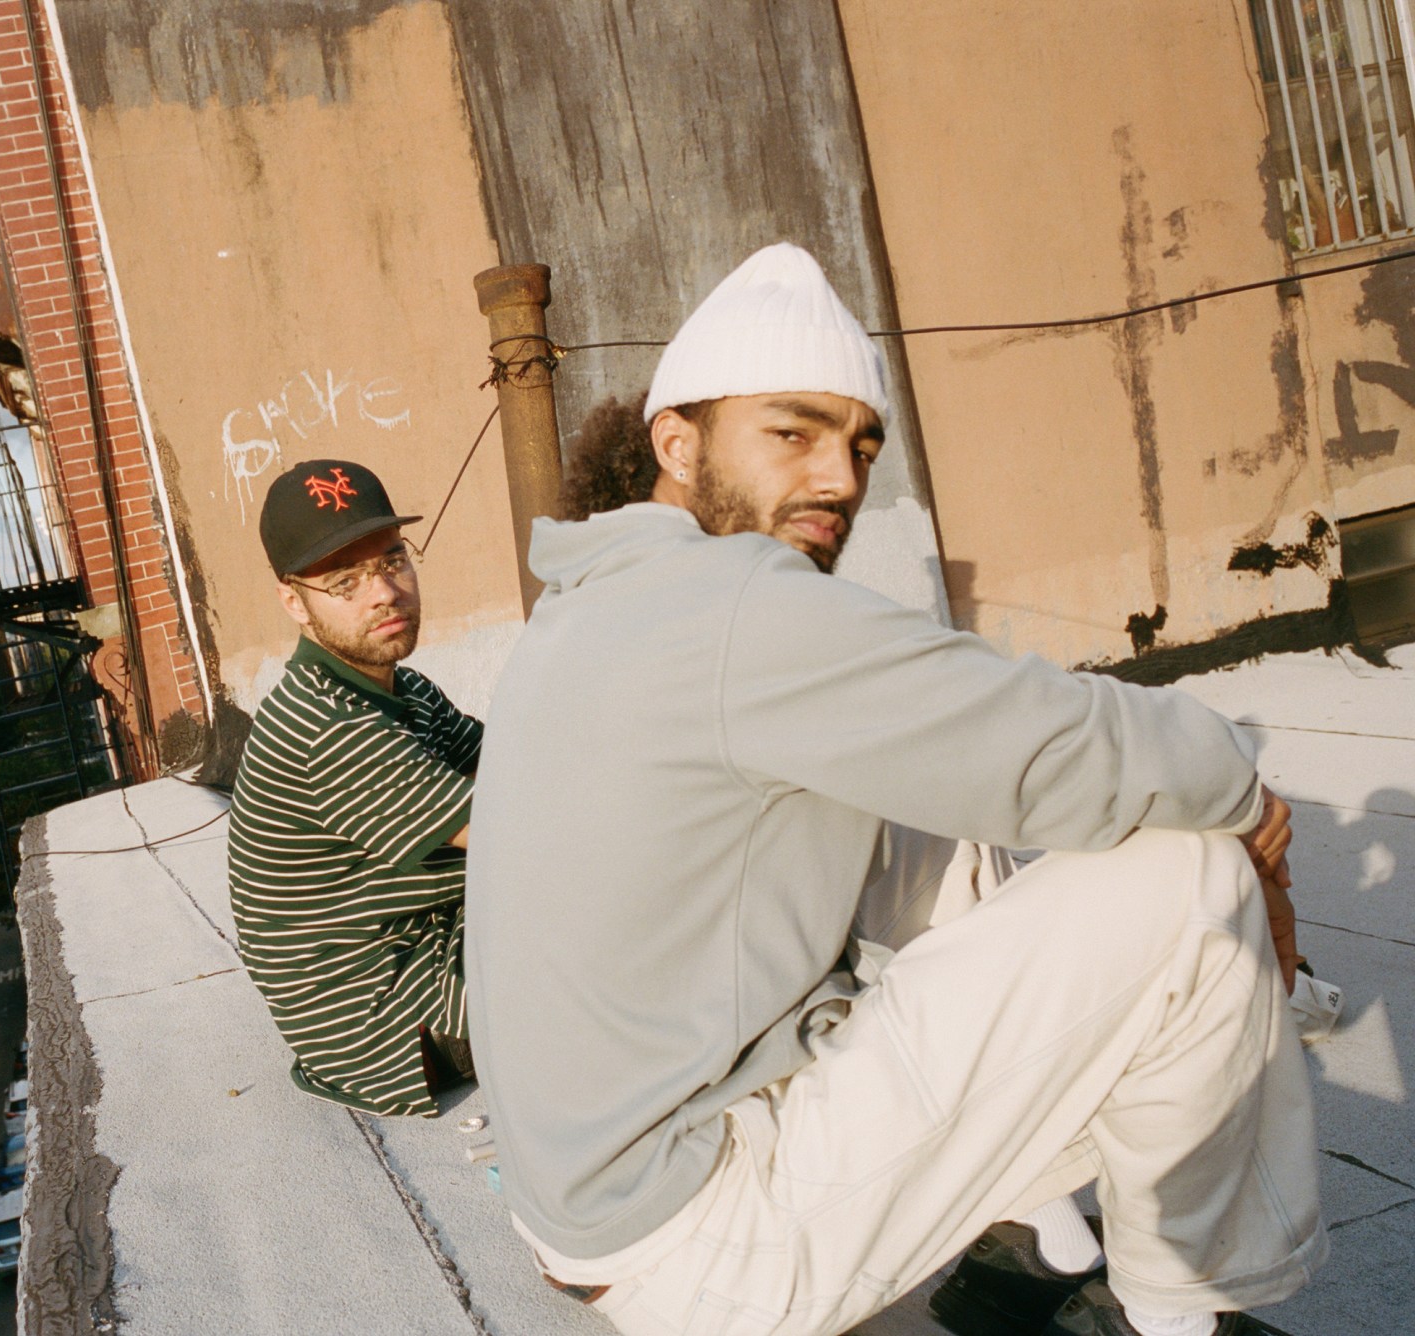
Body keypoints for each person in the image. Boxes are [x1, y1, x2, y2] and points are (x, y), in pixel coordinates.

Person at [465, 244, 1323, 1336]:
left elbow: (966, 752)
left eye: (858, 443)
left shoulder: (590, 601)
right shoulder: (732, 606)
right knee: (1188, 882)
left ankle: (1031, 1239)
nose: (837, 477)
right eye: (790, 432)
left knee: (929, 820)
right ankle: (1178, 1317)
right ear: (675, 442)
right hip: (699, 1235)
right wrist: (1248, 811)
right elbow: (1054, 742)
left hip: (594, 1201)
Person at [227, 458, 480, 1117]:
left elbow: (525, 767)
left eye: (392, 561)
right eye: (344, 581)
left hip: (433, 941)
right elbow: (523, 833)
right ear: (295, 603)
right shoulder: (326, 727)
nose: (384, 593)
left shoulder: (403, 691)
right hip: (399, 1019)